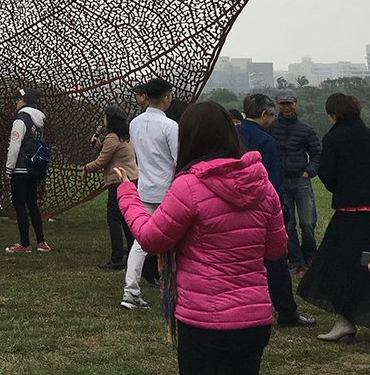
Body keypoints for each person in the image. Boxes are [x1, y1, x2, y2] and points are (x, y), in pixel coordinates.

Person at [118, 101, 288, 375]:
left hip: (204, 322)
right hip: (254, 319)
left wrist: (127, 194)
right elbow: (276, 249)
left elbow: (151, 239)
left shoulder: (189, 186)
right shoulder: (262, 185)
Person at [298, 93, 370, 341]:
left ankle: (345, 321)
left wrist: (343, 188)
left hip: (349, 215)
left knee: (341, 268)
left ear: (333, 115)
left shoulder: (334, 138)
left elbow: (327, 174)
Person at [236, 93, 315, 329]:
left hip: (237, 207)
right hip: (263, 209)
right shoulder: (266, 141)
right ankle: (286, 311)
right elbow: (271, 180)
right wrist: (280, 209)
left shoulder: (233, 134)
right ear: (264, 114)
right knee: (276, 262)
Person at [122, 77, 179, 308]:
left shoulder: (135, 123)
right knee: (176, 241)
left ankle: (131, 290)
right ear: (166, 98)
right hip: (168, 191)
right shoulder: (170, 126)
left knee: (141, 241)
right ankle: (176, 288)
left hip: (145, 188)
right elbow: (178, 159)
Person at [269, 88, 321, 274]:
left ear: (296, 103)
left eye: (289, 103)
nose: (286, 107)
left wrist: (309, 171)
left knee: (307, 222)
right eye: (283, 104)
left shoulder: (306, 129)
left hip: (301, 180)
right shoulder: (271, 128)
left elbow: (316, 154)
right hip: (281, 181)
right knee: (287, 224)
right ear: (277, 105)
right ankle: (295, 261)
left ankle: (311, 256)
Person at [83, 103, 136, 270]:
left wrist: (86, 168)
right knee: (127, 219)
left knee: (114, 220)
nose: (103, 120)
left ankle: (117, 258)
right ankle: (134, 253)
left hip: (118, 181)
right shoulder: (125, 135)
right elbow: (110, 153)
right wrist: (98, 145)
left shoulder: (112, 137)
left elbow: (102, 161)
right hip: (131, 179)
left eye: (105, 117)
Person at [5, 87, 50, 253]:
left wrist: (9, 168)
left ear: (23, 101)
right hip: (33, 168)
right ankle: (41, 242)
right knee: (33, 204)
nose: (16, 102)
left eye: (18, 99)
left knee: (20, 205)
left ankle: (24, 243)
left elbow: (14, 145)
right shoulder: (39, 121)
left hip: (20, 168)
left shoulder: (21, 120)